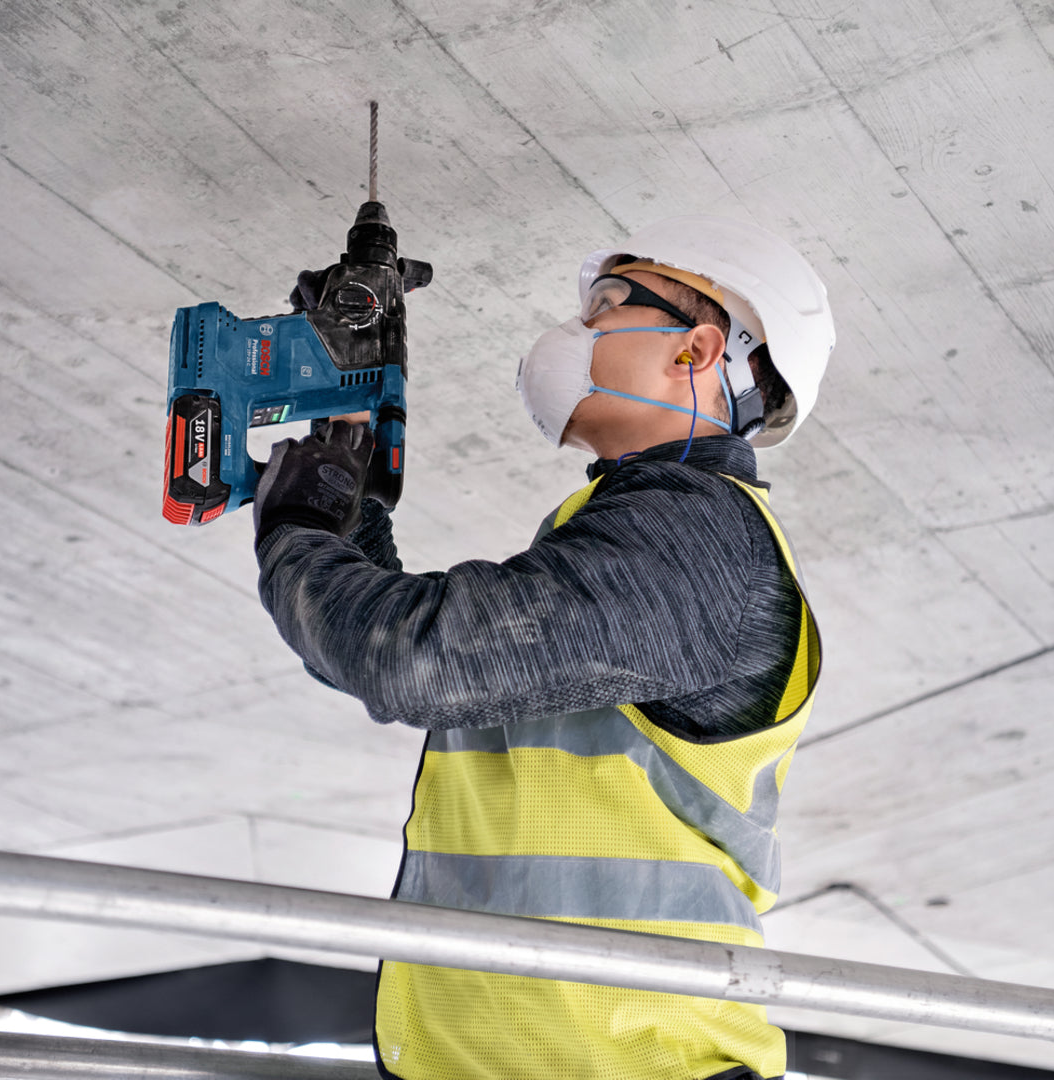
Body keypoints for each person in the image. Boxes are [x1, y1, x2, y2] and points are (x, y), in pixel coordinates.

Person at [251, 216, 834, 1080]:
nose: (576, 329)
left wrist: (297, 528)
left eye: (608, 304)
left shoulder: (698, 539)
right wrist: (352, 459)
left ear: (697, 349)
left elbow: (407, 660)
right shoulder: (622, 532)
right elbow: (381, 647)